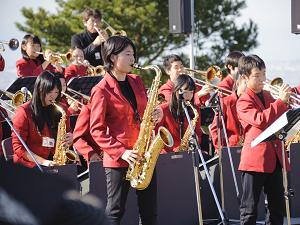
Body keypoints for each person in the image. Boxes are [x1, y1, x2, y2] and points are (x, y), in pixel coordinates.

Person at [89, 35, 162, 225]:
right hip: (119, 159)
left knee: (150, 211)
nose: (133, 59)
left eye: (133, 54)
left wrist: (156, 113)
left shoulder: (136, 80)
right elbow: (96, 129)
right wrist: (122, 153)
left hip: (144, 154)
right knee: (115, 211)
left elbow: (144, 110)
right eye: (128, 54)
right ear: (112, 57)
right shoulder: (101, 89)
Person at [236, 54, 291, 225]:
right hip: (254, 161)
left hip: (274, 158)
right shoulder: (243, 101)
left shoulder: (268, 96)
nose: (262, 79)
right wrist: (280, 103)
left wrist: (287, 103)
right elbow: (260, 120)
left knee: (277, 207)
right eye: (257, 76)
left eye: (264, 74)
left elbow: (280, 114)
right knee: (249, 210)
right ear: (245, 78)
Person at [12, 71, 73, 168]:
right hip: (29, 165)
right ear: (40, 89)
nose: (53, 96)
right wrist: (43, 162)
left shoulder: (62, 109)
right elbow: (18, 147)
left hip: (53, 160)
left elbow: (67, 132)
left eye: (56, 92)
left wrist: (70, 138)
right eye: (49, 92)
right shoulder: (23, 112)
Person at [157, 74, 202, 153]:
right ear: (176, 91)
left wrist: (195, 139)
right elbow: (156, 137)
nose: (188, 96)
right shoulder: (163, 109)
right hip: (167, 155)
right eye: (185, 92)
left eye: (191, 92)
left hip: (188, 153)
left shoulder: (195, 110)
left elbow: (198, 133)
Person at [210, 75, 247, 153]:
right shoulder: (226, 102)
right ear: (237, 84)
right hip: (231, 148)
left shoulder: (251, 102)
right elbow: (215, 128)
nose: (248, 87)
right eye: (245, 83)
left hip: (248, 147)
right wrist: (219, 148)